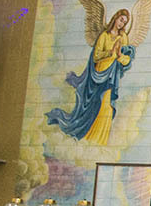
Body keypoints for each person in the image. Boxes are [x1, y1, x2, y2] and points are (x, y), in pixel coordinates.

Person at [47, 8, 134, 144]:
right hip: (97, 76)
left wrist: (119, 56)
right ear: (115, 18)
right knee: (92, 108)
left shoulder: (123, 38)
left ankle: (98, 142)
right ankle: (87, 139)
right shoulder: (104, 35)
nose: (121, 24)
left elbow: (126, 60)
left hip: (111, 78)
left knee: (106, 108)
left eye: (124, 22)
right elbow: (96, 56)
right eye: (121, 20)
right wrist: (110, 53)